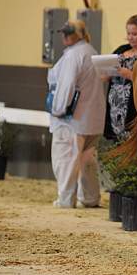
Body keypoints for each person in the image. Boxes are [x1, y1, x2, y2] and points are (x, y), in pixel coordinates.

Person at [48, 20, 106, 208]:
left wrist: (57, 110)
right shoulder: (91, 51)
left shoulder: (73, 55)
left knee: (65, 160)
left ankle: (65, 199)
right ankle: (90, 198)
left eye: (68, 33)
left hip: (72, 119)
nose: (64, 36)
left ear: (76, 35)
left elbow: (66, 86)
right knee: (87, 161)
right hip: (92, 119)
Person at [104, 14, 137, 141]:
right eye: (128, 34)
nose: (130, 38)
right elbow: (107, 70)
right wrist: (105, 74)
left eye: (134, 34)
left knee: (132, 139)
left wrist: (130, 75)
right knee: (116, 140)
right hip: (115, 105)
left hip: (135, 104)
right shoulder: (121, 49)